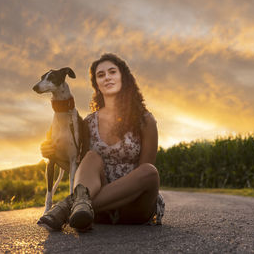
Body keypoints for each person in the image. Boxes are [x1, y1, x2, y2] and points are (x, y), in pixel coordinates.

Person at [37, 53, 165, 231]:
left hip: (135, 206)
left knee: (150, 172)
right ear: (96, 83)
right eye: (101, 75)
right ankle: (80, 207)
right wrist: (53, 154)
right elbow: (79, 167)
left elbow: (143, 179)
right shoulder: (88, 122)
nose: (107, 77)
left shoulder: (145, 120)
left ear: (124, 77)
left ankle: (67, 206)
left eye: (112, 72)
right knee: (90, 157)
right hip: (97, 206)